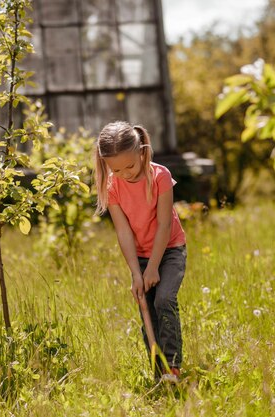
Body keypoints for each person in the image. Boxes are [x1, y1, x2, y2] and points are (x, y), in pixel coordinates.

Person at [94, 121, 187, 383]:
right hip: (140, 257)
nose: (124, 174)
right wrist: (137, 273)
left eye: (130, 166)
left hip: (168, 250)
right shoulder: (113, 186)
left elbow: (165, 224)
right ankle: (159, 372)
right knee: (147, 305)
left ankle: (173, 366)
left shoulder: (160, 176)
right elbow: (123, 232)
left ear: (142, 152)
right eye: (116, 169)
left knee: (163, 300)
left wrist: (154, 266)